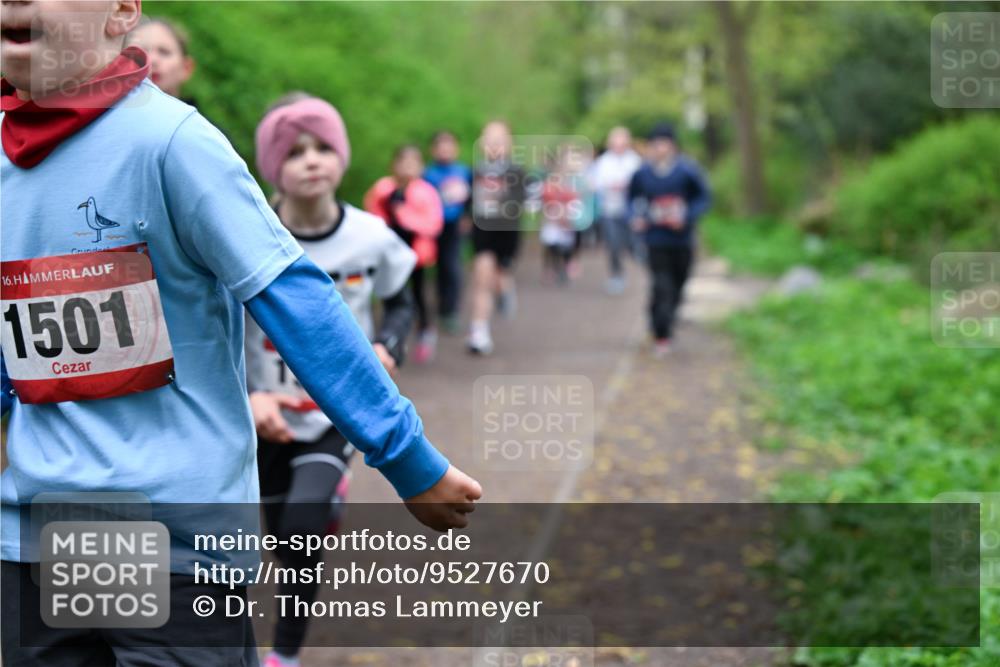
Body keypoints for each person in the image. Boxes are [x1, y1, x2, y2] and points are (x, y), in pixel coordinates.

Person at [0, 3, 480, 665]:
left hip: (172, 544)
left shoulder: (172, 142)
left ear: (121, 10)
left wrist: (406, 456)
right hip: (34, 542)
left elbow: (296, 300)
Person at [252, 94, 419, 667]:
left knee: (300, 528)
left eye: (323, 147)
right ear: (271, 166)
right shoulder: (247, 234)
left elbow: (402, 303)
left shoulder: (372, 237)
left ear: (342, 156)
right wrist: (249, 394)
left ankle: (284, 654)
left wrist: (387, 345)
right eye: (293, 152)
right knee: (282, 537)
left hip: (336, 409)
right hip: (265, 410)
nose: (311, 161)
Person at [628, 122, 711, 358]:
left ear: (672, 145)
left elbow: (704, 198)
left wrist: (687, 216)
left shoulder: (687, 171)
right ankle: (661, 332)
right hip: (655, 239)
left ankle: (663, 319)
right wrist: (636, 217)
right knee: (661, 284)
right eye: (655, 144)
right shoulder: (642, 174)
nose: (659, 148)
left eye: (663, 143)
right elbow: (631, 200)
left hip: (682, 240)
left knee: (678, 284)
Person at [363, 146, 444, 364]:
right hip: (387, 254)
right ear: (394, 165)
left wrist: (404, 216)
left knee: (418, 294)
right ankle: (391, 337)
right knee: (390, 293)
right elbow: (372, 216)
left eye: (413, 163)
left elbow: (433, 224)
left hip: (415, 255)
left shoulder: (426, 192)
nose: (408, 168)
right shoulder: (383, 189)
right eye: (404, 163)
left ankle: (425, 331)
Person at [468, 120, 526, 355]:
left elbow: (519, 203)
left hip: (507, 234)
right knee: (482, 278)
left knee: (500, 278)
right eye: (489, 139)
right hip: (483, 233)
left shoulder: (516, 172)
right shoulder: (474, 171)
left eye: (499, 139)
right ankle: (479, 332)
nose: (493, 144)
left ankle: (505, 290)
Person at [423, 130, 472, 336]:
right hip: (433, 227)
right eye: (441, 146)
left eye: (449, 145)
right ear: (433, 149)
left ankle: (450, 310)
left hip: (455, 227)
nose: (445, 150)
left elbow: (472, 198)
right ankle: (439, 306)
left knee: (452, 267)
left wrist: (468, 217)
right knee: (440, 267)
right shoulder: (427, 174)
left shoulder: (464, 171)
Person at [591, 126, 642, 295]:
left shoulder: (635, 161)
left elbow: (641, 184)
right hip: (609, 209)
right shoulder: (603, 162)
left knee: (632, 243)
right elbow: (596, 183)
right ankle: (616, 274)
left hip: (630, 210)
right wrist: (610, 186)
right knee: (613, 244)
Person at [540, 144, 594, 285]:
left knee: (567, 243)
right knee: (552, 242)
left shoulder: (579, 178)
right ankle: (555, 267)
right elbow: (547, 194)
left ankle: (564, 267)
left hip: (569, 216)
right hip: (554, 215)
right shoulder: (554, 176)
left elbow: (581, 196)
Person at [127, 16, 195, 101]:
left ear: (186, 68)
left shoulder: (191, 111)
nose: (152, 60)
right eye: (141, 52)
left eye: (164, 52)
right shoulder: (110, 107)